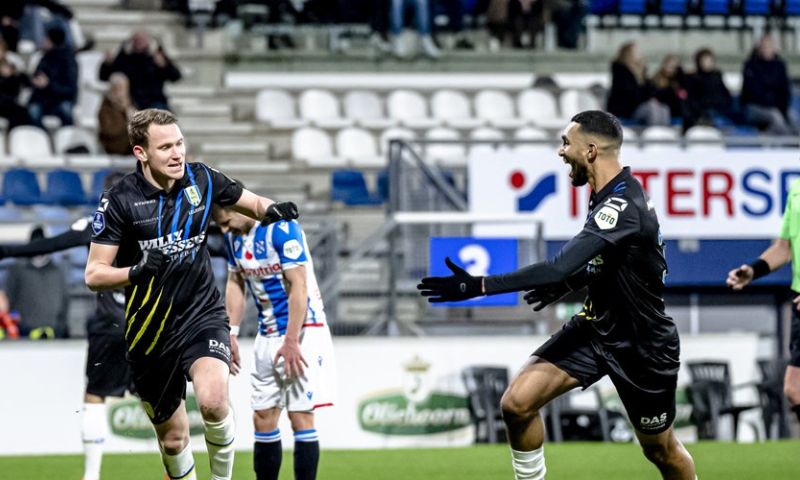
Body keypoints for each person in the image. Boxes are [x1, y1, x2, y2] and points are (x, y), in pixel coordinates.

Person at [418, 110, 696, 480]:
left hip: (641, 344)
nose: (561, 152)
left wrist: (479, 285)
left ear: (592, 151)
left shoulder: (622, 205)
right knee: (517, 404)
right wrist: (567, 285)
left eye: (567, 143)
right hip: (596, 328)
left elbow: (556, 266)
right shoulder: (606, 194)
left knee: (661, 451)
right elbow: (612, 262)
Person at [84, 108, 300, 480]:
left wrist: (274, 210)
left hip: (202, 315)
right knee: (172, 441)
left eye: (180, 143)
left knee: (215, 402)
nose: (177, 153)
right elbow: (94, 274)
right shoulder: (119, 200)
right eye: (165, 146)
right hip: (149, 331)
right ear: (141, 153)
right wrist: (134, 272)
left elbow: (254, 203)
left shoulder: (202, 179)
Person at [0, 171, 130, 480]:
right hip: (147, 326)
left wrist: (5, 251)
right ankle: (177, 470)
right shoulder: (151, 222)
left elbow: (49, 245)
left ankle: (91, 475)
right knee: (159, 402)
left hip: (109, 324)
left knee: (95, 397)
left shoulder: (94, 224)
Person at [215, 204, 335, 480]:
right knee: (263, 418)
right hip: (266, 336)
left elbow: (299, 286)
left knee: (300, 416)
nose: (224, 230)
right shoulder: (234, 238)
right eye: (219, 225)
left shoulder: (281, 229)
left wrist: (293, 339)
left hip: (302, 332)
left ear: (241, 207)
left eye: (226, 221)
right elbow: (235, 283)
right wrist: (231, 332)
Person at [725, 179, 800, 427]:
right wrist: (753, 271)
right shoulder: (796, 188)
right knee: (794, 390)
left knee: (795, 387)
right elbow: (783, 248)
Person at [4, 225, 70, 339]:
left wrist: (60, 327)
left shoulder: (57, 271)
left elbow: (64, 301)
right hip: (24, 333)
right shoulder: (17, 269)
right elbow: (9, 299)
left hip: (53, 333)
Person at [98, 31, 181, 111]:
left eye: (142, 39)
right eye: (137, 39)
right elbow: (104, 77)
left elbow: (176, 77)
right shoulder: (124, 57)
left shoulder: (156, 56)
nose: (139, 42)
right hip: (129, 101)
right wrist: (107, 64)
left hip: (154, 100)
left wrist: (164, 65)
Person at [740, 34, 795, 135]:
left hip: (776, 106)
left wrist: (782, 106)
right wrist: (773, 105)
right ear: (759, 48)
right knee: (775, 116)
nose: (766, 49)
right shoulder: (751, 66)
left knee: (793, 117)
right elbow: (752, 92)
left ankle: (768, 136)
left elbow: (785, 90)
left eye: (769, 46)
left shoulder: (780, 66)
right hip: (754, 107)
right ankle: (791, 145)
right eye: (764, 47)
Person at [606, 41, 671, 127]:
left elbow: (650, 89)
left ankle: (665, 135)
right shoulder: (621, 72)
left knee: (664, 109)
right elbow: (631, 94)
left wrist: (655, 97)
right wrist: (648, 99)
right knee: (651, 109)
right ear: (629, 54)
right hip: (626, 109)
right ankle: (653, 136)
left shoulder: (641, 71)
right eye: (637, 52)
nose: (640, 53)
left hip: (638, 105)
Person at [27, 25, 78, 128]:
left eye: (46, 39)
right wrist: (36, 80)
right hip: (43, 99)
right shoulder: (44, 57)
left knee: (65, 111)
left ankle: (68, 139)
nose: (43, 41)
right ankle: (41, 139)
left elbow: (70, 88)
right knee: (33, 111)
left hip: (61, 99)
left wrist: (49, 85)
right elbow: (37, 74)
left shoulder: (69, 61)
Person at [98, 73, 135, 155]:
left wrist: (127, 109)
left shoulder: (129, 105)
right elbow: (110, 131)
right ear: (114, 90)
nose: (125, 92)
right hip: (114, 145)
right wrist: (128, 123)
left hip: (129, 142)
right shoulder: (106, 108)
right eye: (123, 89)